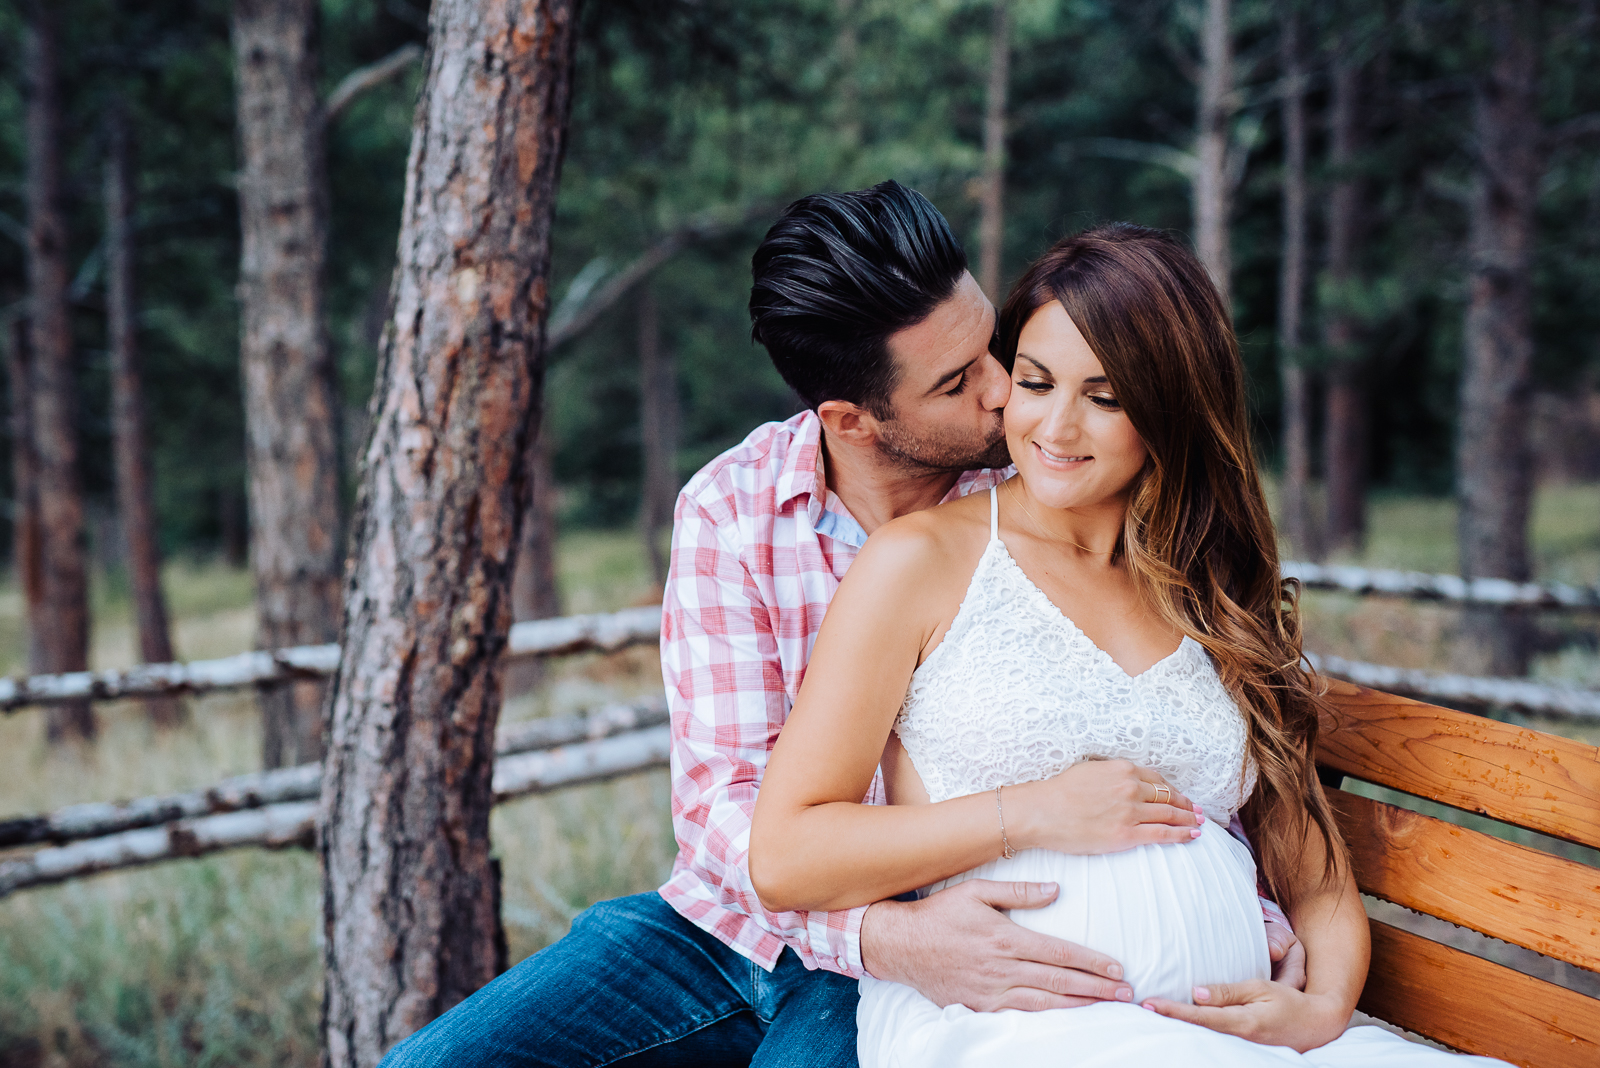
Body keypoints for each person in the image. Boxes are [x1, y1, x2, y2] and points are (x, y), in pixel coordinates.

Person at [381, 184, 1299, 1067]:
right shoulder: (734, 510)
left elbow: (1176, 710)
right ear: (852, 420)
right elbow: (723, 810)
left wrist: (1241, 903)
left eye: (994, 348)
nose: (1000, 394)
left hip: (953, 930)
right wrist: (878, 935)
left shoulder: (1046, 481)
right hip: (742, 928)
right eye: (955, 382)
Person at [747, 223, 1511, 1067]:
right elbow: (787, 853)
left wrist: (1323, 1008)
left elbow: (1310, 859)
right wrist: (1031, 812)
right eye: (1034, 383)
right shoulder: (919, 563)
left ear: (1171, 407)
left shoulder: (1213, 588)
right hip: (1016, 1028)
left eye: (1104, 398)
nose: (1055, 427)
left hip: (1240, 1033)